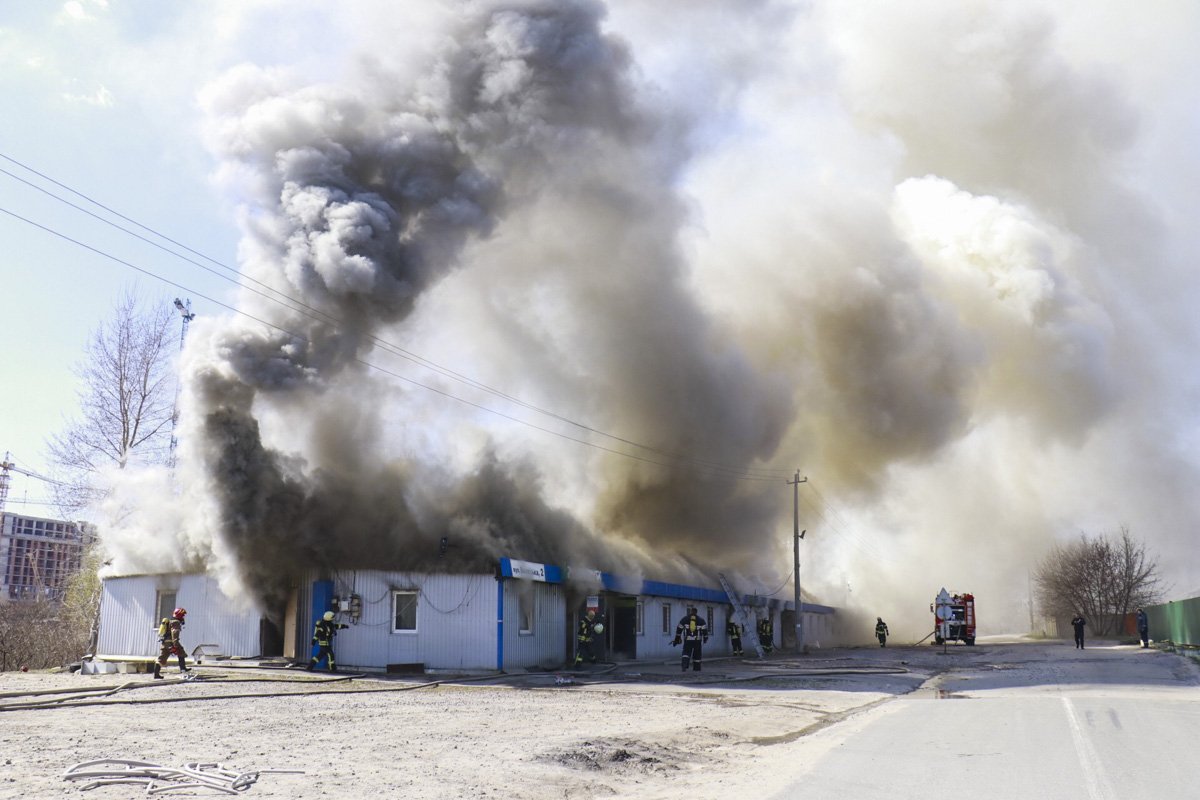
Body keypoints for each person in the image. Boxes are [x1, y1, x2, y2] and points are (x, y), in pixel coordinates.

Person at [153, 607, 190, 680]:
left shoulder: (170, 621)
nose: (183, 617)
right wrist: (176, 646)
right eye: (182, 615)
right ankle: (183, 669)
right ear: (180, 615)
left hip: (165, 643)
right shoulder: (176, 622)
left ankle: (156, 674)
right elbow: (175, 634)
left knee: (162, 658)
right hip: (172, 642)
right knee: (181, 652)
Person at [672, 606, 709, 672]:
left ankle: (684, 666)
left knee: (686, 652)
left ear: (690, 611)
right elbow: (705, 631)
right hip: (697, 641)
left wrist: (677, 639)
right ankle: (697, 668)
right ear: (696, 612)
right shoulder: (701, 620)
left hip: (688, 640)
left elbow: (679, 629)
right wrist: (705, 639)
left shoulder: (684, 619)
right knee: (697, 654)